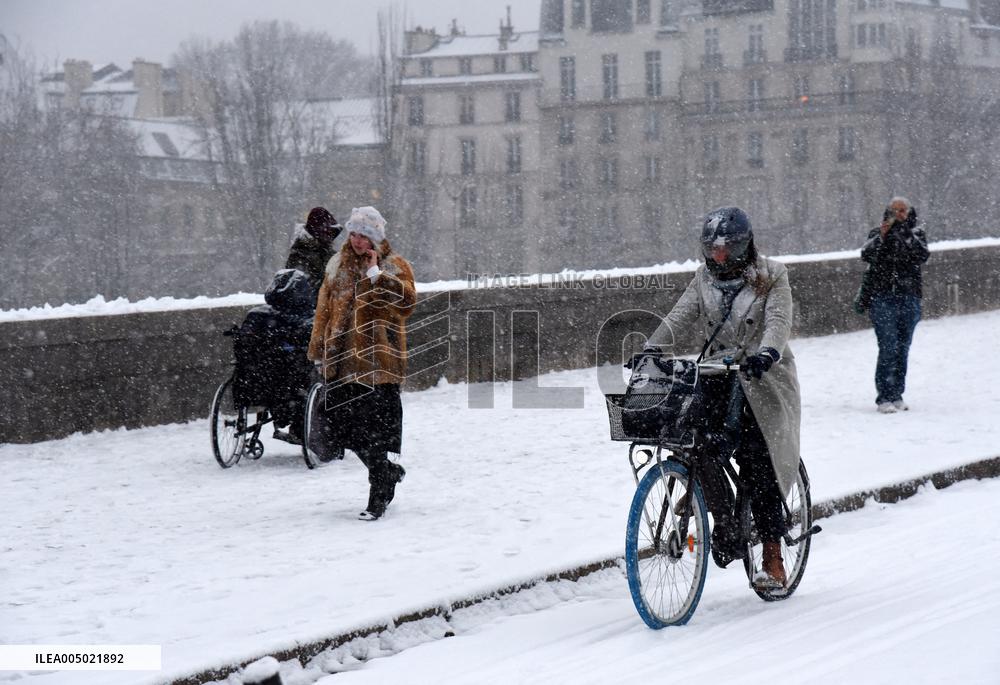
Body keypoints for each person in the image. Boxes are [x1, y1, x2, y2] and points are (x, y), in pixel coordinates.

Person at [645, 206, 801, 589]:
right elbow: (680, 316)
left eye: (725, 249)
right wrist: (650, 348)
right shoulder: (703, 279)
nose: (717, 256)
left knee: (756, 458)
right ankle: (722, 517)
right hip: (718, 372)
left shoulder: (772, 274)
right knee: (694, 440)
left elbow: (779, 321)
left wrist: (767, 351)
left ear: (743, 246)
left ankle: (772, 554)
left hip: (762, 378)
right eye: (711, 249)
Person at [307, 206, 417, 521]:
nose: (357, 241)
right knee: (345, 429)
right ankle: (386, 473)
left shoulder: (394, 266)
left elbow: (407, 305)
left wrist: (375, 276)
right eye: (354, 233)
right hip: (342, 362)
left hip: (379, 365)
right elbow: (323, 309)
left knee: (376, 432)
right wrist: (318, 349)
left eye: (364, 235)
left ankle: (377, 496)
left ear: (375, 238)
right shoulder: (337, 265)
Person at [861, 197, 929, 414]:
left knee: (903, 347)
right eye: (895, 210)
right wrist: (883, 235)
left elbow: (922, 255)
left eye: (903, 210)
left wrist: (906, 232)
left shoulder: (916, 234)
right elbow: (867, 254)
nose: (899, 214)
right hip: (883, 298)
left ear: (909, 212)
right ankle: (884, 396)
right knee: (888, 346)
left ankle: (897, 394)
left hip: (909, 297)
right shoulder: (878, 233)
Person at [286, 207, 342, 292]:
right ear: (317, 231)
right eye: (326, 232)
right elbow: (302, 292)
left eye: (331, 232)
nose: (329, 236)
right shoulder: (299, 256)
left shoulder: (331, 255)